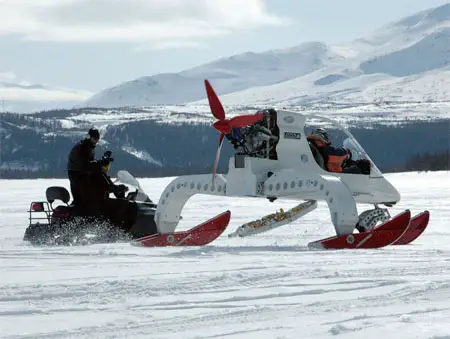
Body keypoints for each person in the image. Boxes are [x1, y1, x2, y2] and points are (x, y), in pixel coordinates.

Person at [67, 128, 110, 216]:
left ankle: (85, 219)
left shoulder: (85, 146)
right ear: (89, 137)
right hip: (78, 175)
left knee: (81, 199)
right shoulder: (84, 147)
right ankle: (91, 221)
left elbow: (89, 162)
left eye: (97, 139)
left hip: (77, 174)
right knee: (90, 199)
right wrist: (100, 163)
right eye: (94, 139)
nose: (96, 141)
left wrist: (101, 162)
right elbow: (86, 164)